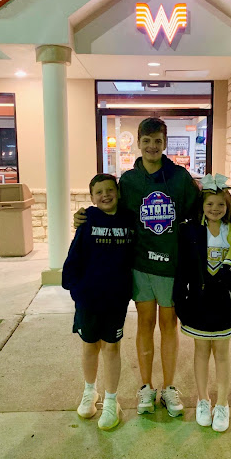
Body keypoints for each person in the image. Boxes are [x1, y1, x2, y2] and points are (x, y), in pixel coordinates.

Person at [75, 117, 199, 417]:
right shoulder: (129, 181)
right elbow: (110, 209)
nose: (152, 146)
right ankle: (146, 386)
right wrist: (84, 216)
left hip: (170, 266)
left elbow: (202, 209)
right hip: (140, 265)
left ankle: (169, 387)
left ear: (165, 142)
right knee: (145, 324)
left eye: (158, 141)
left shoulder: (180, 178)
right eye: (147, 141)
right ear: (139, 144)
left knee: (168, 326)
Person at [173, 174, 231, 432]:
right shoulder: (191, 231)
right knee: (200, 351)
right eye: (209, 204)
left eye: (221, 204)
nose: (215, 208)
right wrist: (181, 300)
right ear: (202, 205)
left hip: (223, 302)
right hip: (199, 301)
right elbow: (183, 268)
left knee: (221, 353)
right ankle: (203, 400)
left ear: (228, 207)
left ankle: (222, 403)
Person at [62, 173, 134, 430]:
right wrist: (76, 289)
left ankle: (112, 401)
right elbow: (75, 256)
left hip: (116, 298)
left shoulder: (129, 219)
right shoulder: (88, 219)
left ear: (118, 192)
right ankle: (90, 391)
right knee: (89, 346)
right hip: (89, 297)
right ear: (92, 197)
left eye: (110, 190)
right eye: (99, 192)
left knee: (112, 347)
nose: (106, 195)